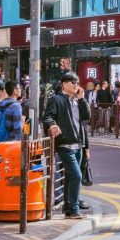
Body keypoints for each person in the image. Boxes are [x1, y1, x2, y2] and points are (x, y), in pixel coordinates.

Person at [43, 73, 88, 218]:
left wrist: (82, 99)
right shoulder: (56, 99)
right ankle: (74, 209)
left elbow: (86, 117)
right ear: (64, 84)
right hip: (64, 145)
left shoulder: (77, 100)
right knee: (76, 175)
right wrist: (52, 124)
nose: (76, 84)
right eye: (72, 82)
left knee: (70, 177)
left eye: (77, 82)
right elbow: (47, 117)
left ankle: (68, 208)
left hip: (78, 145)